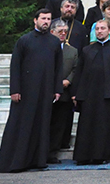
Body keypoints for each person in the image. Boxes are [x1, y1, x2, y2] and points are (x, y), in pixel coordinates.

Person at [0, 9, 63, 173]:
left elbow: (58, 68)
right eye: (43, 18)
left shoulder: (54, 43)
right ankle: (16, 161)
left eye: (48, 19)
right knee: (21, 125)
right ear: (35, 20)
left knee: (42, 125)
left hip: (46, 90)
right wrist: (15, 89)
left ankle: (38, 161)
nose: (46, 21)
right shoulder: (24, 40)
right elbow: (15, 66)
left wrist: (57, 89)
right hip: (25, 92)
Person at [72, 20, 110, 165]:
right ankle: (83, 157)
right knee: (86, 125)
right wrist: (75, 93)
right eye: (97, 29)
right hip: (88, 93)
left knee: (103, 126)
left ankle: (101, 156)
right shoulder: (87, 50)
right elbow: (79, 72)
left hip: (107, 94)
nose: (100, 31)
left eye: (103, 28)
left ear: (109, 30)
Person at [47, 19, 78, 163]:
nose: (63, 34)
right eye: (60, 31)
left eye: (65, 31)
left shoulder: (72, 51)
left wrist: (68, 80)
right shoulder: (45, 47)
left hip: (64, 93)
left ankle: (53, 153)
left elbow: (75, 68)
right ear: (52, 32)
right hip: (47, 92)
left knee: (59, 126)